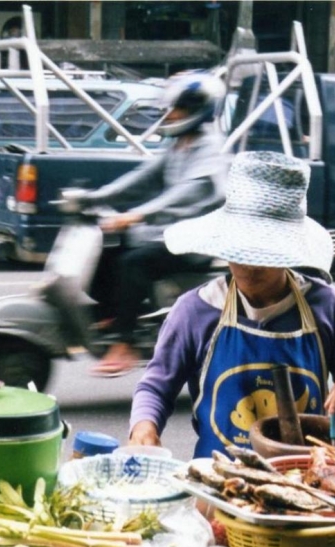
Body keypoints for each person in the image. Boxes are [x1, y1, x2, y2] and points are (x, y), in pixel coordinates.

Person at [127, 151, 335, 458]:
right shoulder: (195, 310)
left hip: (311, 480)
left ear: (288, 249)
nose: (248, 264)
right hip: (219, 480)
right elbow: (155, 387)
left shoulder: (325, 304)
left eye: (263, 252)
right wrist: (144, 427)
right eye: (240, 248)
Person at [74, 71, 229, 378]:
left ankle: (124, 343)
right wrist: (93, 198)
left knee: (135, 263)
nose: (169, 114)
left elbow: (185, 193)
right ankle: (114, 315)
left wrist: (138, 215)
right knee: (107, 249)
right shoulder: (180, 143)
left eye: (177, 108)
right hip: (170, 232)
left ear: (199, 109)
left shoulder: (210, 149)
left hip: (195, 240)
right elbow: (141, 177)